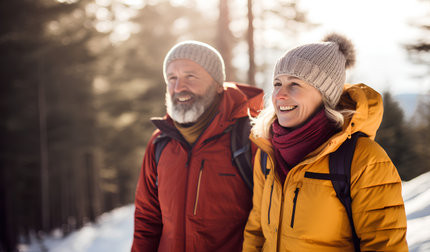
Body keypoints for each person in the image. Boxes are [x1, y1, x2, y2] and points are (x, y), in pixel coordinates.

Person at [242, 33, 408, 251]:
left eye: (294, 84)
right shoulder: (267, 152)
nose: (279, 95)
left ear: (325, 95)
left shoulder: (364, 159)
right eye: (277, 83)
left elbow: (384, 246)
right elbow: (256, 233)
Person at [132, 40, 263, 252]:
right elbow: (147, 220)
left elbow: (269, 224)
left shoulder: (250, 139)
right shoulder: (160, 142)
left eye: (190, 76)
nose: (178, 87)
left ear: (218, 85)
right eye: (172, 78)